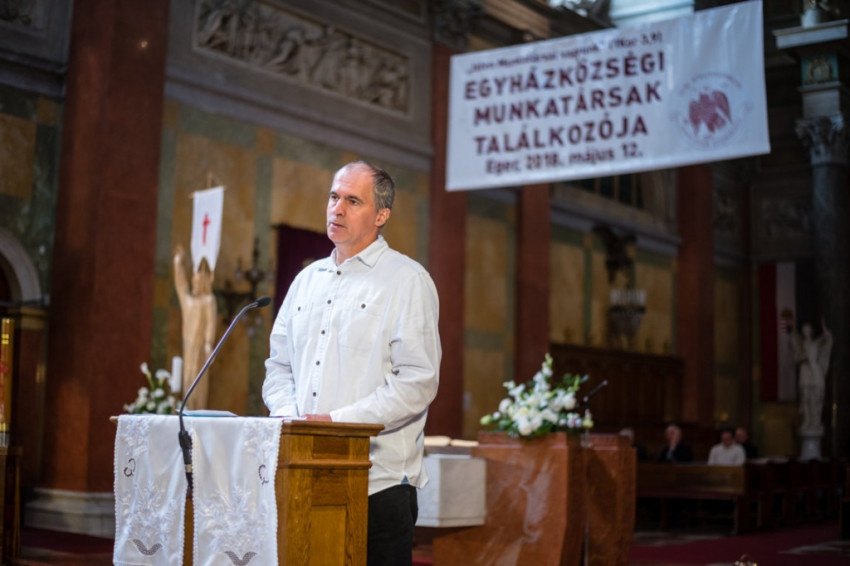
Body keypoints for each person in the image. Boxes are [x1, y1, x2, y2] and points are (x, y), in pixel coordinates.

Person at [263, 161, 441, 566]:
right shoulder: (306, 280)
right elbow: (279, 366)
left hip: (378, 484)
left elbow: (417, 382)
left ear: (381, 215)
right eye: (333, 196)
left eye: (353, 201)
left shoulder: (407, 280)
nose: (337, 209)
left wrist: (338, 424)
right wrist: (292, 420)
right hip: (302, 471)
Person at [174, 245, 217, 409]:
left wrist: (208, 344)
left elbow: (211, 323)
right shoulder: (188, 301)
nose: (195, 284)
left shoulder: (208, 300)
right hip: (188, 347)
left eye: (198, 281)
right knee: (188, 378)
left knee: (199, 383)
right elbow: (180, 285)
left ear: (204, 282)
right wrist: (178, 262)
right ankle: (187, 409)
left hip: (200, 348)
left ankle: (197, 410)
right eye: (194, 281)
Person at [793, 318, 832, 434]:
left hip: (814, 371)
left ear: (811, 331)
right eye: (804, 330)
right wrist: (803, 356)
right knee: (806, 397)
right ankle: (807, 420)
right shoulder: (801, 345)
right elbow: (796, 359)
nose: (806, 331)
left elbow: (828, 339)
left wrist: (825, 329)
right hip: (805, 372)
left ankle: (815, 421)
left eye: (807, 329)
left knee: (815, 398)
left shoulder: (816, 343)